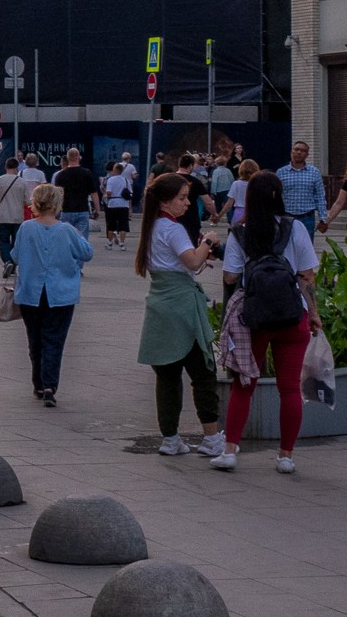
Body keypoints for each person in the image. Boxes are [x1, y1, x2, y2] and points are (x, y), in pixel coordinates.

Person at [213, 172, 323, 474]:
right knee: (290, 389)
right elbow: (306, 276)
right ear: (279, 195)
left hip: (255, 319)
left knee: (243, 385)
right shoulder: (294, 227)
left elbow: (230, 277)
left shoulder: (240, 232)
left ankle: (230, 451)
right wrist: (313, 313)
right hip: (292, 316)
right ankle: (286, 456)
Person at [135, 173, 226, 458]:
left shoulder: (151, 226)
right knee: (203, 372)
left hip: (159, 304)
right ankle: (212, 438)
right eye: (183, 198)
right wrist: (208, 241)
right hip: (182, 306)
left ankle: (170, 439)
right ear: (165, 201)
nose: (187, 203)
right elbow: (193, 261)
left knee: (167, 375)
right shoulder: (172, 229)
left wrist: (198, 256)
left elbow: (178, 263)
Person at [13, 183, 94, 407]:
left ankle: (38, 383)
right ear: (57, 204)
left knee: (35, 339)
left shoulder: (26, 228)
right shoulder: (66, 230)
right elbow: (87, 253)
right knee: (54, 339)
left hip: (31, 292)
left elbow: (16, 255)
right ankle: (50, 385)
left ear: (35, 203)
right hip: (61, 292)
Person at [275, 141, 328, 239]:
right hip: (287, 217)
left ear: (307, 155)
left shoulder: (314, 172)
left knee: (306, 246)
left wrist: (323, 218)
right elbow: (276, 196)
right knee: (285, 245)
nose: (299, 152)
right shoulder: (281, 172)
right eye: (296, 149)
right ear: (291, 152)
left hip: (307, 218)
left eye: (303, 151)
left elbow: (320, 196)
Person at [0, 157, 28, 279]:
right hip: (18, 218)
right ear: (17, 168)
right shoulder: (22, 182)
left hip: (3, 217)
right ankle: (13, 264)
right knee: (16, 242)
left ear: (6, 167)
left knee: (3, 241)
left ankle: (7, 261)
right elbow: (27, 200)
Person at [52, 148, 99, 243]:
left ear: (67, 158)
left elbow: (58, 195)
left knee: (66, 239)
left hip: (66, 210)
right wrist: (97, 208)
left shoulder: (60, 175)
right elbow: (94, 192)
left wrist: (55, 211)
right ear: (79, 157)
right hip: (82, 209)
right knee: (82, 239)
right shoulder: (87, 174)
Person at [100, 160, 135, 248]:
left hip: (112, 204)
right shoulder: (126, 180)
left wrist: (105, 196)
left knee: (111, 225)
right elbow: (130, 192)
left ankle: (109, 243)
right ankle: (122, 243)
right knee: (123, 225)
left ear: (115, 170)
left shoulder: (111, 180)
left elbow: (109, 193)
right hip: (124, 204)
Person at [226, 157, 260, 224]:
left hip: (239, 212)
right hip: (255, 212)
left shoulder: (236, 184)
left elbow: (229, 204)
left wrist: (219, 216)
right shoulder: (259, 183)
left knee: (238, 230)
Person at [209, 157, 236, 223]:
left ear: (216, 163)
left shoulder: (215, 171)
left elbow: (214, 182)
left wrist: (213, 192)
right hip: (228, 190)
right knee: (228, 205)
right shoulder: (228, 170)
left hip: (218, 190)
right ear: (225, 163)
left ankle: (215, 219)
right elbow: (232, 180)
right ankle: (230, 219)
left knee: (217, 206)